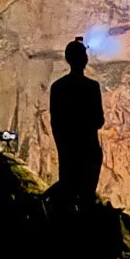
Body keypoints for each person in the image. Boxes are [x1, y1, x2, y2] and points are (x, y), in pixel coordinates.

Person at [49, 39, 104, 208]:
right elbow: (99, 120)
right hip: (89, 151)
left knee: (68, 198)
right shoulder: (92, 87)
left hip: (68, 152)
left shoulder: (58, 87)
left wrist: (64, 147)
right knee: (86, 199)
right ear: (85, 60)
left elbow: (55, 123)